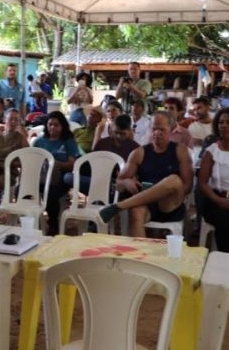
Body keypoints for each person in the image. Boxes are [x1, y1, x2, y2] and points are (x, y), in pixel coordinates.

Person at [97, 111, 193, 237]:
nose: (157, 133)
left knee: (174, 180)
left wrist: (161, 192)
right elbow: (119, 184)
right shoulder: (139, 153)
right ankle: (138, 255)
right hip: (147, 204)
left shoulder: (180, 150)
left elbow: (187, 187)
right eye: (154, 129)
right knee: (135, 212)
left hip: (170, 202)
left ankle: (120, 206)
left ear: (171, 130)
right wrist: (127, 182)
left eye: (162, 130)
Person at [33, 111, 80, 235]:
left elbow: (72, 164)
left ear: (62, 126)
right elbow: (32, 161)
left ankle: (53, 223)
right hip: (42, 176)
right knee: (22, 189)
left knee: (51, 194)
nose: (52, 127)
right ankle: (34, 221)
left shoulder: (68, 141)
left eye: (56, 125)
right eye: (50, 124)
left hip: (62, 177)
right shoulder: (39, 142)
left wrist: (55, 163)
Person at [198, 107, 229, 251]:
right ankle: (224, 259)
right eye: (221, 122)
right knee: (225, 222)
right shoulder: (211, 151)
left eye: (228, 122)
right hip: (214, 200)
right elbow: (202, 183)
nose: (224, 125)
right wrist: (218, 200)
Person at [0, 108, 29, 191]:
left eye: (16, 120)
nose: (13, 122)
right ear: (5, 119)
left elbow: (28, 160)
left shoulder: (21, 138)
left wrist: (15, 163)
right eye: (11, 119)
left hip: (8, 172)